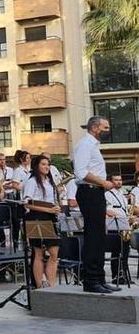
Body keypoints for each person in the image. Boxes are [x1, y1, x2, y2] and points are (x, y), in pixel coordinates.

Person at [74, 116, 119, 293]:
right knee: (93, 236)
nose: (108, 130)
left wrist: (102, 185)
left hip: (96, 191)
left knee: (99, 236)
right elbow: (81, 172)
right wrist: (103, 182)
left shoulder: (93, 145)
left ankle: (99, 278)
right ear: (95, 127)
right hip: (89, 191)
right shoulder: (85, 144)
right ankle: (91, 280)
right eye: (105, 127)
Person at [23, 155, 60, 289]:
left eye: (48, 164)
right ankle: (39, 285)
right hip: (36, 216)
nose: (46, 167)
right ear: (36, 166)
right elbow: (27, 203)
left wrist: (55, 208)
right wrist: (47, 209)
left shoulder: (49, 181)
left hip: (49, 216)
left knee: (54, 253)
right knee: (38, 252)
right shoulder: (32, 181)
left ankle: (51, 285)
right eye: (43, 164)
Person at [104, 174, 133, 284]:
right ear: (110, 181)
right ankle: (116, 276)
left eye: (120, 180)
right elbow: (107, 210)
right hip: (115, 226)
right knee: (116, 252)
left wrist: (129, 218)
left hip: (124, 226)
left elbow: (125, 209)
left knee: (125, 253)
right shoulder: (107, 194)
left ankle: (124, 275)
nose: (119, 182)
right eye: (116, 180)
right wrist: (122, 217)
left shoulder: (122, 194)